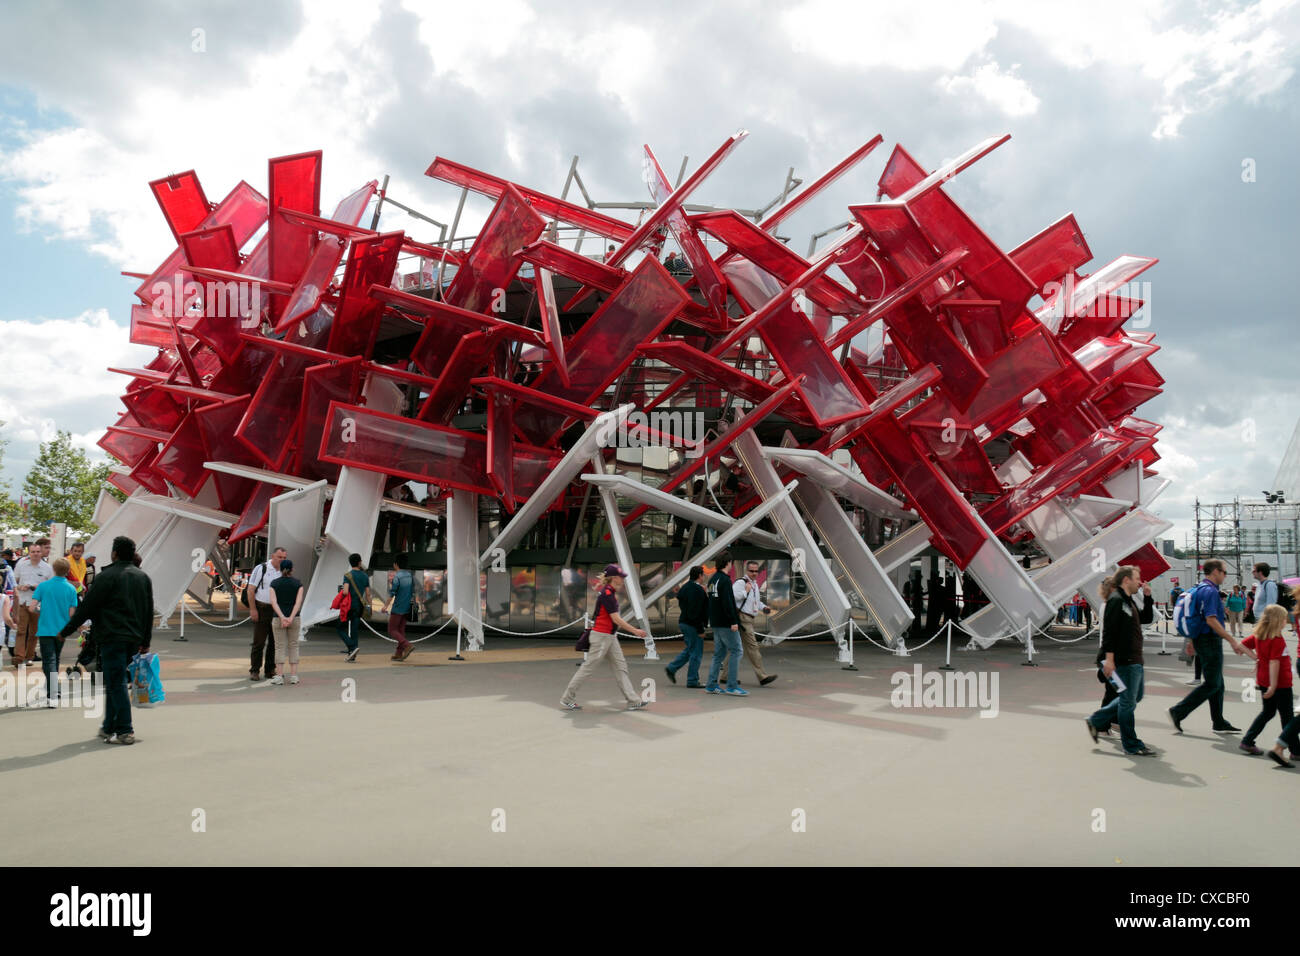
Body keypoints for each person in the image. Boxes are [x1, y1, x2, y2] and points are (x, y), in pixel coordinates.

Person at [59, 536, 153, 745]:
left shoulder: (105, 577)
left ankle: (125, 729)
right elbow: (148, 612)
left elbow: (87, 607)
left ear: (114, 553)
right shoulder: (143, 577)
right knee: (115, 681)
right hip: (133, 637)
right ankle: (109, 726)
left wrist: (67, 630)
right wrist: (145, 640)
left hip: (111, 636)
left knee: (116, 681)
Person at [1168, 559, 1246, 735]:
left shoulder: (1200, 588)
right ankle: (1178, 711)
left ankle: (1218, 721)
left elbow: (1197, 616)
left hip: (1203, 639)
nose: (1225, 576)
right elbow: (1210, 620)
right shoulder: (1210, 591)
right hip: (1210, 641)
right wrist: (1232, 640)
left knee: (1218, 682)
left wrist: (1192, 641)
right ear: (1215, 571)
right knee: (1212, 683)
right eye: (1224, 572)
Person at [1084, 566, 1156, 756]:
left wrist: (1147, 597)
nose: (1139, 582)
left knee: (1134, 697)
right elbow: (1109, 632)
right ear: (1126, 580)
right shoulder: (1115, 601)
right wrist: (1109, 659)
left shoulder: (1127, 601)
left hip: (1134, 659)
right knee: (1127, 702)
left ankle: (1096, 720)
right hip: (1124, 661)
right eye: (1137, 578)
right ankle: (1131, 744)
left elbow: (1146, 617)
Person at [561, 564, 647, 711]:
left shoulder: (608, 592)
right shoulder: (607, 594)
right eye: (621, 576)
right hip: (602, 637)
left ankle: (633, 700)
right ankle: (567, 698)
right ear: (614, 578)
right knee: (588, 668)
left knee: (621, 667)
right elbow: (616, 619)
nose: (623, 579)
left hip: (609, 637)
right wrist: (635, 631)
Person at [1095, 582, 1156, 721]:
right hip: (1112, 657)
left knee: (1119, 692)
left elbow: (1145, 618)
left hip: (1121, 657)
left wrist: (1147, 597)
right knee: (1116, 692)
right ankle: (1102, 723)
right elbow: (1112, 634)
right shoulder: (1112, 605)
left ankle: (1107, 722)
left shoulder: (1123, 603)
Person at [1237, 604, 1292, 756]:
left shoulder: (1259, 635)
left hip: (1263, 680)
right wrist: (1273, 686)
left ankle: (1248, 740)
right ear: (1277, 621)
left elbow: (1241, 645)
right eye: (1283, 619)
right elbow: (1275, 662)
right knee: (1287, 716)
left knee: (1268, 712)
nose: (1285, 621)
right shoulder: (1276, 639)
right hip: (1280, 682)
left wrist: (1256, 657)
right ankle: (1295, 750)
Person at [31, 557, 79, 706]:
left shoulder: (43, 586)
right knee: (55, 659)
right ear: (68, 571)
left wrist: (41, 609)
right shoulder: (71, 589)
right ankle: (52, 688)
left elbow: (31, 607)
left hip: (46, 628)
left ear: (54, 569)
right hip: (62, 630)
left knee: (49, 661)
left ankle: (52, 692)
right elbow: (72, 613)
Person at [722, 561, 777, 687]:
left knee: (734, 649)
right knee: (753, 648)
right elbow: (732, 596)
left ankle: (725, 676)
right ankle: (762, 676)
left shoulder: (754, 584)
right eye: (751, 571)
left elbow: (755, 602)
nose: (754, 573)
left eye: (756, 571)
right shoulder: (742, 583)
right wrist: (746, 591)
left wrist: (763, 608)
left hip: (748, 619)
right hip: (743, 619)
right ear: (747, 571)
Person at [705, 553, 746, 696]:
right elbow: (728, 602)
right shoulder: (725, 580)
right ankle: (732, 685)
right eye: (731, 562)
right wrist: (733, 621)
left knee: (719, 654)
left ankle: (711, 685)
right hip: (726, 623)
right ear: (728, 563)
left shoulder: (713, 579)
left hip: (715, 622)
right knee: (737, 651)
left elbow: (711, 601)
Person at [246, 547, 286, 681]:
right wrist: (253, 609)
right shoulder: (261, 568)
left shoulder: (283, 571)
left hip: (276, 610)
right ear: (273, 556)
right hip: (262, 608)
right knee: (259, 641)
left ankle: (270, 670)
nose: (282, 560)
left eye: (284, 558)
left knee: (274, 642)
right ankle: (254, 670)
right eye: (279, 557)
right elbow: (251, 590)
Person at [665, 565, 708, 688]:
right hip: (693, 625)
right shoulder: (698, 590)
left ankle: (672, 668)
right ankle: (692, 680)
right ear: (700, 575)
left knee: (690, 649)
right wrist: (700, 629)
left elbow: (687, 606)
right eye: (703, 574)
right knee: (696, 652)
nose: (704, 576)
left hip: (684, 622)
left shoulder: (685, 588)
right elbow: (696, 611)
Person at [12, 537, 52, 667]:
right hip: (23, 602)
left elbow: (50, 587)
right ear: (29, 553)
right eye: (33, 551)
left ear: (41, 553)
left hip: (38, 605)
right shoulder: (21, 564)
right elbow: (14, 582)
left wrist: (38, 588)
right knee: (21, 630)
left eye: (37, 552)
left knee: (34, 632)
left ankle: (29, 656)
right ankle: (19, 657)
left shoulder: (47, 568)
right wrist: (20, 587)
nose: (35, 554)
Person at [268, 558, 304, 686]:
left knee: (279, 646)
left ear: (280, 569)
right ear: (292, 569)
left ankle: (279, 676)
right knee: (294, 645)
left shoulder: (274, 584)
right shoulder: (298, 584)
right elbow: (298, 603)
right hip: (295, 619)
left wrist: (283, 617)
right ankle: (294, 676)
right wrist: (291, 617)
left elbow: (273, 602)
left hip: (278, 619)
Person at [382, 553, 415, 662]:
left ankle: (407, 645)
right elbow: (412, 592)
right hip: (407, 607)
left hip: (398, 607)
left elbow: (392, 593)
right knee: (400, 630)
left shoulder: (397, 577)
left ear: (396, 564)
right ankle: (399, 653)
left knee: (392, 630)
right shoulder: (410, 576)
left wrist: (385, 606)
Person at [337, 553, 369, 662]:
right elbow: (368, 594)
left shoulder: (348, 575)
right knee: (354, 629)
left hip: (349, 605)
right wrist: (369, 605)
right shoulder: (365, 576)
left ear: (350, 563)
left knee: (340, 628)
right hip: (359, 606)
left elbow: (345, 591)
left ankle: (352, 647)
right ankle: (352, 654)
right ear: (360, 562)